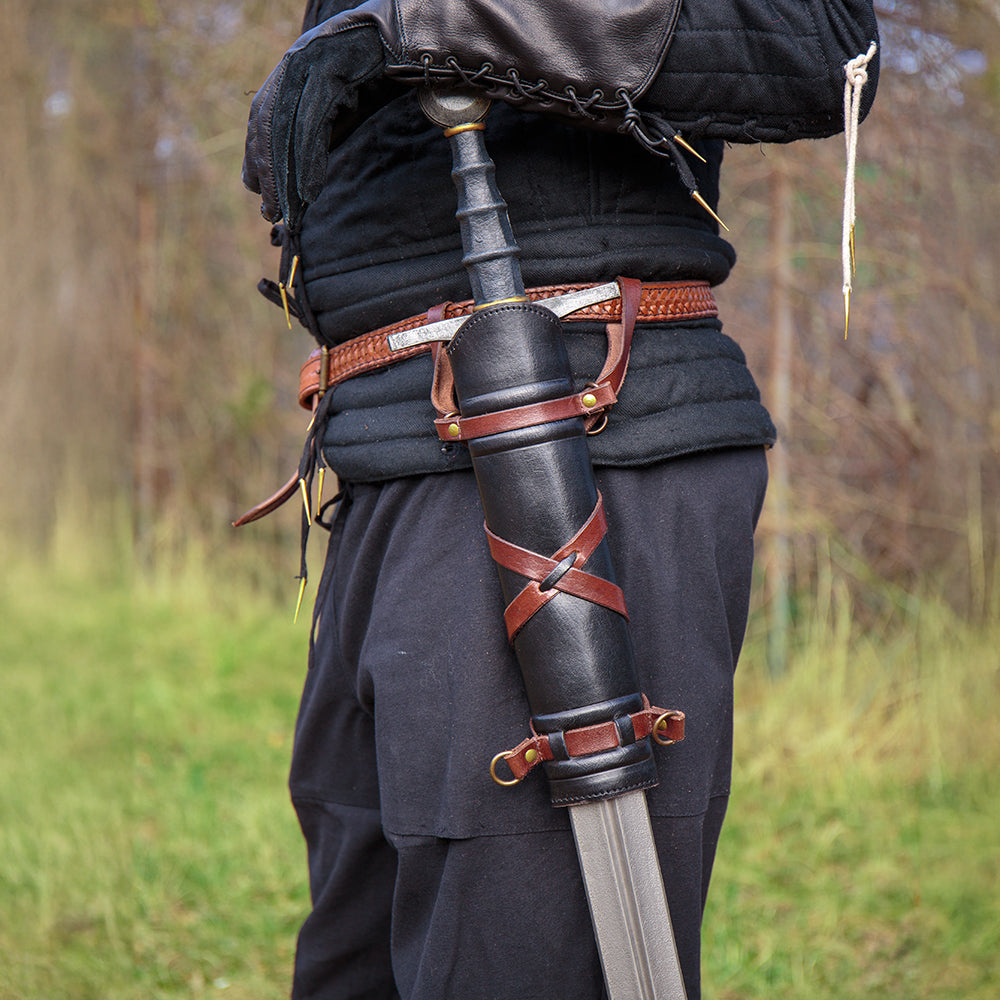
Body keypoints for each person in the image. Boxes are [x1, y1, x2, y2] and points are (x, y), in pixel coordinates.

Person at [240, 3, 878, 997]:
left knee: (527, 963)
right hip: (377, 446)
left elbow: (826, 44)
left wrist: (444, 18)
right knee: (356, 959)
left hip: (567, 433)